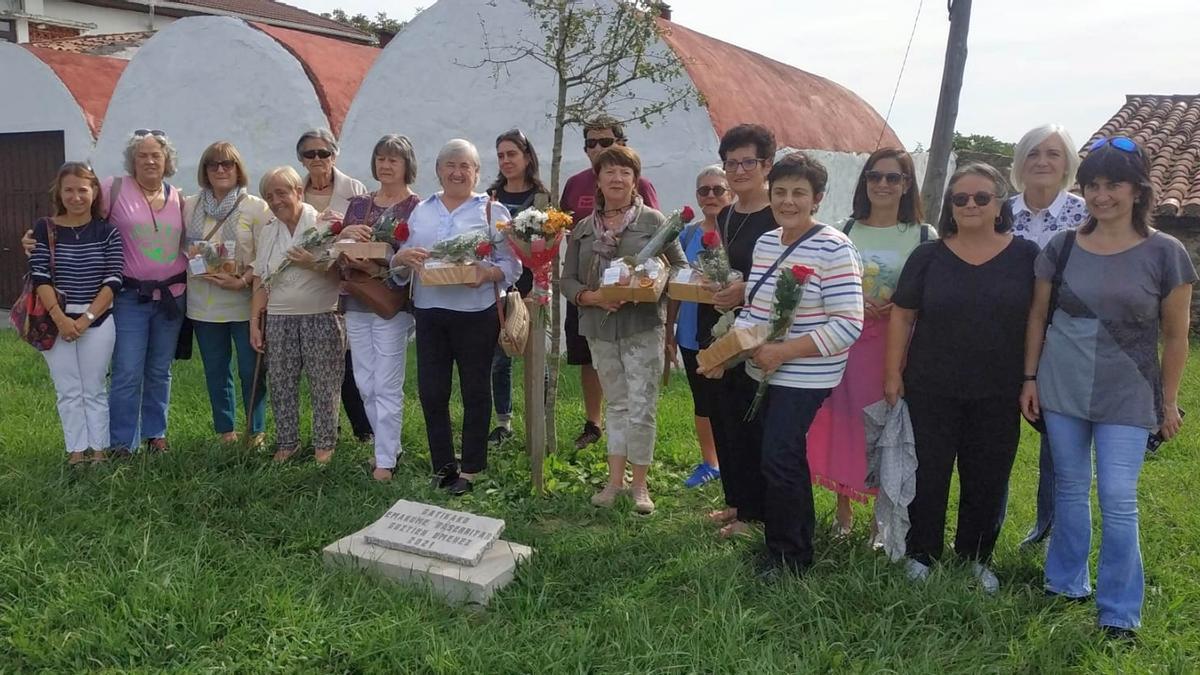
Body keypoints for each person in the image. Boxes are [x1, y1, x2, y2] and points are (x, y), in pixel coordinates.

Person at [1020, 137, 1194, 639]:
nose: (1101, 195)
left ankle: (1119, 611)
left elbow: (1176, 335)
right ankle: (1065, 582)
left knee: (1118, 498)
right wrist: (1029, 378)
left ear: (1138, 190)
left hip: (1129, 392)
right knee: (1071, 489)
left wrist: (1169, 401)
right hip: (1062, 385)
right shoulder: (1063, 246)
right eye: (1092, 184)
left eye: (1113, 184)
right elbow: (1037, 316)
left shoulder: (1168, 252)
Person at [705, 151, 863, 576]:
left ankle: (792, 556)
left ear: (818, 199)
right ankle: (780, 539)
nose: (788, 201)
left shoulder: (835, 247)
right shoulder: (767, 242)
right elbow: (756, 311)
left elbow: (849, 324)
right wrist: (730, 354)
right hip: (762, 368)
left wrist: (784, 352)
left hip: (807, 373)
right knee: (770, 456)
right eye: (780, 192)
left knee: (780, 455)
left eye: (799, 193)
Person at [884, 163, 1040, 593]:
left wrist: (1030, 377)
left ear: (999, 204)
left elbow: (1036, 321)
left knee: (988, 475)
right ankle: (921, 553)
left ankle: (975, 557)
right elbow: (902, 314)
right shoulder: (928, 256)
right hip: (931, 385)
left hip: (998, 388)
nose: (970, 205)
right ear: (949, 206)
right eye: (960, 198)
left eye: (981, 197)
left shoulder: (1026, 256)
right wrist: (892, 373)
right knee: (928, 473)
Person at [806, 148, 933, 539]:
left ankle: (881, 521)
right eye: (874, 176)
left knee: (885, 428)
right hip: (848, 344)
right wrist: (854, 301)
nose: (882, 184)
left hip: (895, 347)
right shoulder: (845, 230)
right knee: (842, 426)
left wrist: (903, 303)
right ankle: (843, 515)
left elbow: (935, 292)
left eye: (893, 178)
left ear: (907, 185)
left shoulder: (924, 236)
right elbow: (823, 282)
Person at [561, 145, 687, 514]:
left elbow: (680, 268)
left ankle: (641, 486)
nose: (617, 178)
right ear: (598, 179)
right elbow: (566, 279)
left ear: (635, 180)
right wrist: (591, 296)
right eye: (610, 172)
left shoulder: (654, 223)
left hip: (641, 326)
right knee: (615, 404)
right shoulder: (583, 229)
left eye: (625, 172)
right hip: (599, 327)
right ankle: (614, 482)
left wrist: (648, 285)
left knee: (642, 406)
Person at [391, 139, 520, 495]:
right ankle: (444, 464)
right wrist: (401, 261)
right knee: (432, 392)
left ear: (477, 173)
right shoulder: (422, 211)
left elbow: (512, 265)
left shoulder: (494, 212)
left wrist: (488, 272)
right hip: (430, 311)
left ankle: (473, 468)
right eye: (450, 165)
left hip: (476, 313)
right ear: (438, 170)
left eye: (466, 166)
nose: (457, 172)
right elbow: (403, 260)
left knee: (476, 391)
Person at [1007, 124, 1088, 547]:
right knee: (994, 440)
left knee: (1059, 443)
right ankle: (986, 528)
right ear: (1020, 162)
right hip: (998, 338)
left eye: (1053, 154)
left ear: (1068, 164)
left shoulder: (1086, 217)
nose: (1042, 161)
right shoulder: (995, 211)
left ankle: (1047, 531)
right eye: (1033, 152)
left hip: (1062, 342)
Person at [560, 115, 660, 450]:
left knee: (635, 392)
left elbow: (654, 246)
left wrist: (634, 284)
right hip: (588, 292)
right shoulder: (575, 184)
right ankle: (593, 422)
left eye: (606, 141)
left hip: (632, 307)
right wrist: (588, 292)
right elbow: (567, 230)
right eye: (591, 143)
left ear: (621, 142)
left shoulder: (639, 186)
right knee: (586, 356)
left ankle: (636, 451)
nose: (598, 148)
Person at [702, 123, 781, 538]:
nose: (738, 170)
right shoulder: (729, 213)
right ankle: (738, 503)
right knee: (727, 416)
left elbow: (792, 276)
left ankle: (760, 516)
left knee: (756, 424)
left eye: (748, 162)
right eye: (730, 163)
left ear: (767, 165)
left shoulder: (779, 213)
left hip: (768, 335)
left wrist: (745, 288)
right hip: (730, 329)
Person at [28, 162, 124, 465]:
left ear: (94, 192)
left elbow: (113, 279)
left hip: (98, 320)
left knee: (94, 388)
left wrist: (85, 320)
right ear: (60, 192)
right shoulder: (45, 228)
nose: (76, 196)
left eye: (82, 189)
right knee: (68, 390)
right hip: (55, 321)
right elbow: (39, 275)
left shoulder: (108, 232)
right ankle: (76, 452)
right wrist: (61, 318)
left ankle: (98, 452)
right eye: (69, 190)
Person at [339, 135, 421, 481]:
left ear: (406, 166)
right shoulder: (359, 204)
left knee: (386, 384)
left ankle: (385, 461)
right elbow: (339, 250)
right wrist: (346, 234)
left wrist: (388, 256)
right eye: (381, 159)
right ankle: (388, 446)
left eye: (394, 160)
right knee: (363, 383)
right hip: (357, 298)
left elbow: (416, 254)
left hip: (391, 303)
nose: (386, 166)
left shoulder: (417, 207)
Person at [250, 166, 346, 465]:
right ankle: (287, 442)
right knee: (281, 382)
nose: (276, 200)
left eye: (282, 192)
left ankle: (324, 445)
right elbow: (260, 278)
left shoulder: (323, 224)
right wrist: (254, 321)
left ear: (298, 193)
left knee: (324, 383)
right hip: (279, 318)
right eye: (269, 195)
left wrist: (312, 262)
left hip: (321, 315)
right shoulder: (268, 230)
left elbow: (340, 274)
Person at [105, 129, 189, 455]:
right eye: (143, 155)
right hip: (129, 297)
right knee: (127, 370)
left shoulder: (179, 197)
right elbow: (77, 213)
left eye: (156, 154)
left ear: (167, 160)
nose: (150, 160)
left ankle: (155, 433)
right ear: (132, 160)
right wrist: (40, 236)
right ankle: (123, 442)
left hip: (172, 297)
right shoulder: (112, 190)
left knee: (159, 369)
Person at [184, 141, 271, 447]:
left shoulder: (256, 207)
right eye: (213, 164)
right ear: (204, 171)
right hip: (203, 305)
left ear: (238, 169)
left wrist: (245, 278)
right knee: (216, 370)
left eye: (227, 164)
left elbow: (266, 253)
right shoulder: (189, 205)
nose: (220, 170)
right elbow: (169, 244)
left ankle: (255, 430)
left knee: (251, 370)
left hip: (244, 302)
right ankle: (226, 432)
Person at [295, 128, 373, 444]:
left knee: (349, 360)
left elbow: (367, 234)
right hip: (308, 282)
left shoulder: (354, 189)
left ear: (334, 155)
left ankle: (363, 428)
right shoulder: (294, 190)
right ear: (301, 158)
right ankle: (330, 427)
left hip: (343, 282)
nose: (317, 159)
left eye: (323, 153)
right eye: (310, 154)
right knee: (320, 364)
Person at [665, 164, 732, 488]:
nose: (711, 196)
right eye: (704, 190)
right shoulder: (688, 234)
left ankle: (736, 458)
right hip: (692, 330)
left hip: (733, 332)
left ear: (729, 192)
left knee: (731, 398)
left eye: (718, 189)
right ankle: (711, 462)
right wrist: (669, 329)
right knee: (702, 399)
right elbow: (675, 283)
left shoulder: (741, 231)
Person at [486, 128, 549, 446]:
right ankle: (504, 422)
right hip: (499, 286)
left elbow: (548, 243)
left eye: (512, 154)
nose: (506, 160)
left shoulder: (541, 197)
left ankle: (541, 421)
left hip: (533, 285)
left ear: (526, 156)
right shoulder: (490, 197)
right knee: (501, 355)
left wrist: (539, 285)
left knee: (537, 356)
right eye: (501, 155)